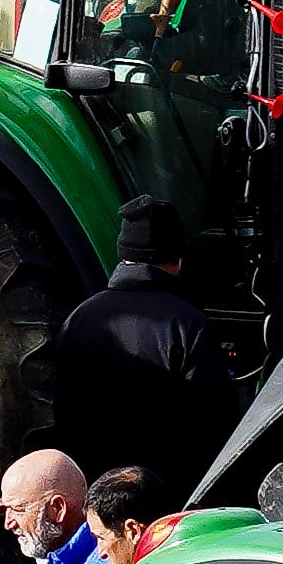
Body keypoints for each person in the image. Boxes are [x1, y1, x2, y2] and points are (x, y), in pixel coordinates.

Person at [48, 195, 237, 501]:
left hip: (95, 492)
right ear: (177, 259)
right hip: (163, 496)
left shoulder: (80, 317)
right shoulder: (189, 324)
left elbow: (62, 407)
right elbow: (212, 424)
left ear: (124, 253)